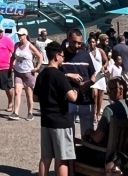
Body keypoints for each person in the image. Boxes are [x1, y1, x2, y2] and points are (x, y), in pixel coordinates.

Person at [34, 41, 79, 176]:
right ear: (56, 56)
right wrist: (76, 89)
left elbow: (35, 98)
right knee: (62, 158)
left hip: (46, 121)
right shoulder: (59, 75)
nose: (63, 59)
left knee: (46, 157)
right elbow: (72, 97)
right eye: (62, 56)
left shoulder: (42, 74)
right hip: (61, 121)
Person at [75, 76, 128, 171]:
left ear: (120, 89)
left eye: (110, 89)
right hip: (124, 157)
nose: (108, 92)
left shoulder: (110, 110)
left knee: (73, 152)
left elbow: (97, 138)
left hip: (106, 157)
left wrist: (89, 132)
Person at [60, 31, 95, 137]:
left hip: (86, 100)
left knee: (87, 134)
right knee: (68, 135)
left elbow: (93, 73)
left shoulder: (86, 55)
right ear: (68, 39)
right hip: (68, 100)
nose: (76, 45)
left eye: (79, 43)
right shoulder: (61, 55)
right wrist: (68, 75)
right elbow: (55, 75)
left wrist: (90, 82)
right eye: (74, 42)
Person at [9, 27, 43, 120]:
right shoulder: (16, 45)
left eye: (21, 35)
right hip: (18, 72)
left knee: (29, 94)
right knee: (17, 92)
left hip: (28, 72)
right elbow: (13, 56)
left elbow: (40, 56)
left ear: (25, 35)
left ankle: (30, 113)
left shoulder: (29, 46)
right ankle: (15, 113)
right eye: (18, 35)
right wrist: (11, 65)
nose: (19, 36)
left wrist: (37, 67)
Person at [90, 34, 111, 124]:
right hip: (93, 75)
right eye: (90, 42)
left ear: (96, 43)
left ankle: (98, 113)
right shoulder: (87, 52)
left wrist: (104, 67)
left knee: (101, 95)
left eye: (93, 42)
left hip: (100, 74)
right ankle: (94, 114)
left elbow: (106, 61)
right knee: (95, 94)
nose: (91, 44)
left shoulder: (100, 51)